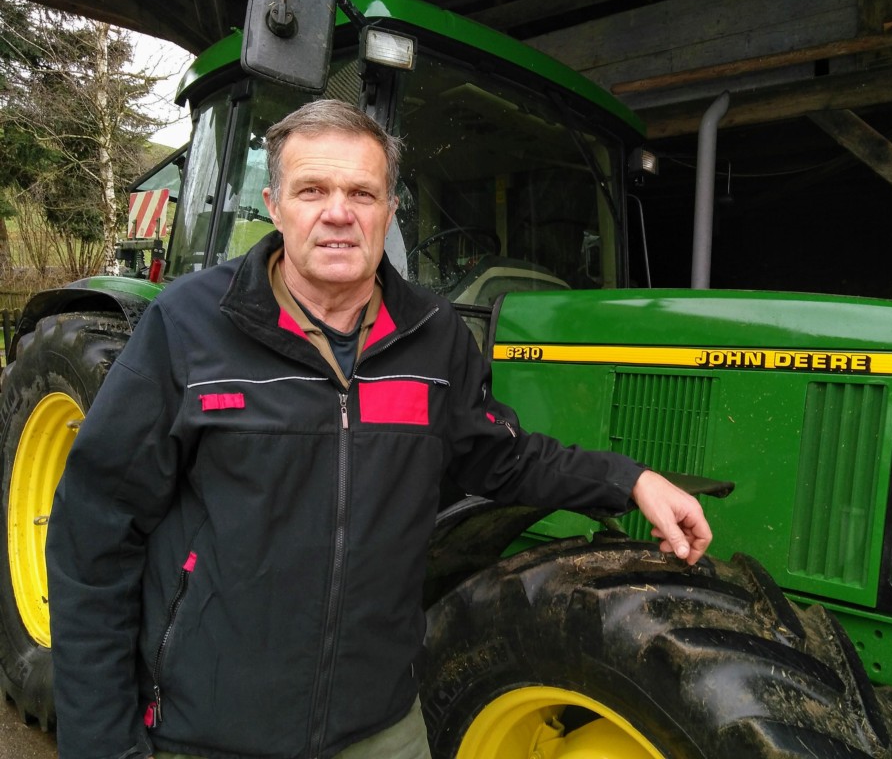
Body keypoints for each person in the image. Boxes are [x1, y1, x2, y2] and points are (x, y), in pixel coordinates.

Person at [46, 99, 712, 759]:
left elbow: (500, 459)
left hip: (380, 728)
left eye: (362, 193)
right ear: (275, 206)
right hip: (211, 730)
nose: (339, 212)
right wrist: (102, 745)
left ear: (389, 212)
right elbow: (93, 538)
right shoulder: (188, 326)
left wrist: (631, 480)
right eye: (312, 190)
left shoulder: (434, 336)